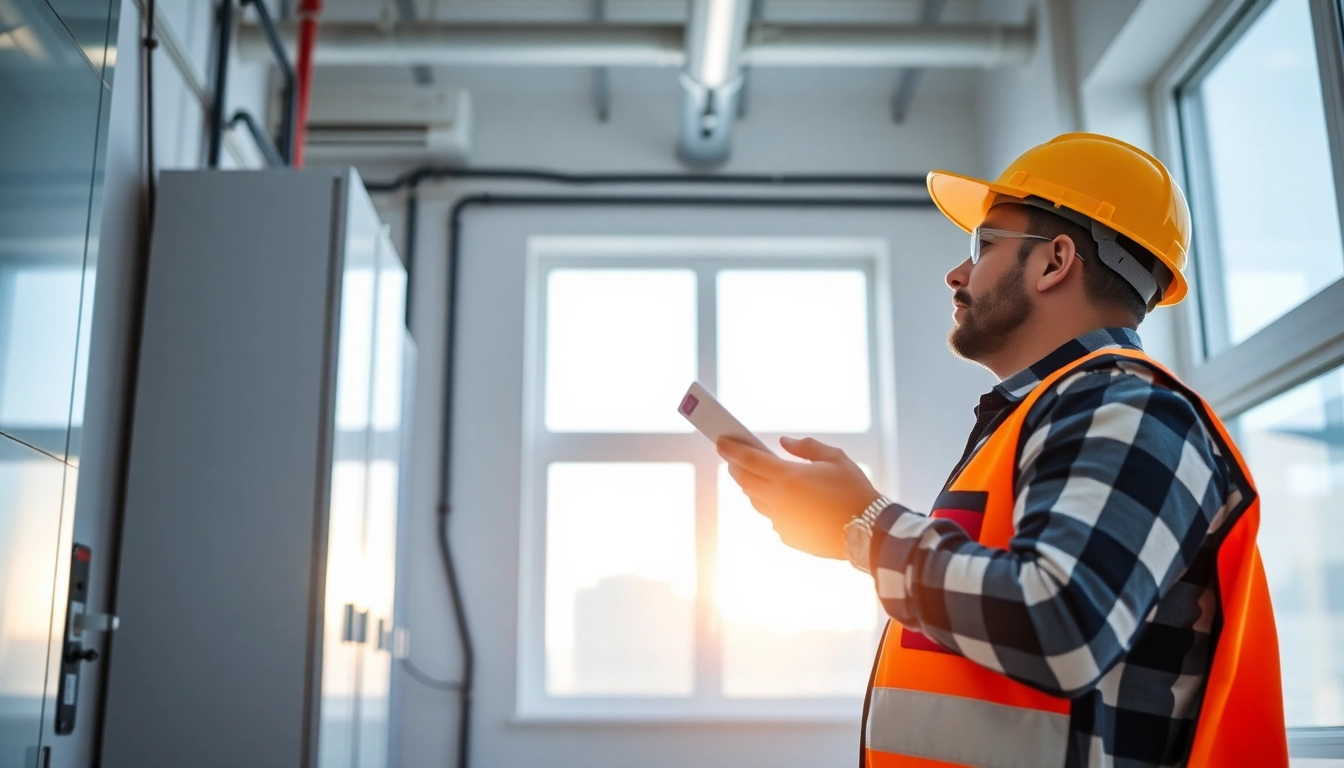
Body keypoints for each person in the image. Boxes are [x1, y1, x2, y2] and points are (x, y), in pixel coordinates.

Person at [717, 133, 1288, 768]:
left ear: (1055, 261)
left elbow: (1060, 624)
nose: (956, 274)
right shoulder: (1052, 416)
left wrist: (867, 526)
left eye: (983, 246)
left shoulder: (1127, 408)